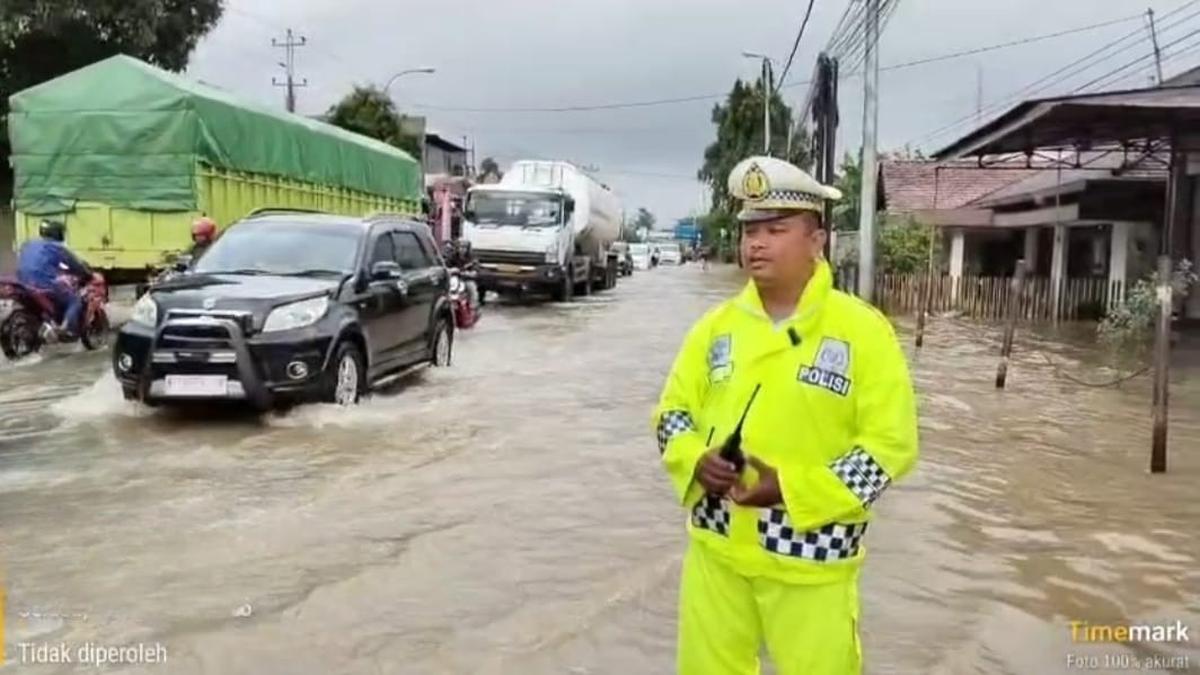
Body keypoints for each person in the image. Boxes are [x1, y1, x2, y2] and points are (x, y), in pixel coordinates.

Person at [651, 156, 918, 675]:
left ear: (816, 241)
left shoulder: (863, 332)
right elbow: (671, 413)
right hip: (717, 550)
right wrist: (694, 459)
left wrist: (791, 489)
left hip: (813, 561)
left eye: (776, 229)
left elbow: (890, 447)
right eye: (750, 229)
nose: (757, 243)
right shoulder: (715, 328)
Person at [15, 219, 92, 338]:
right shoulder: (57, 247)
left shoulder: (29, 243)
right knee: (74, 300)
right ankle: (66, 329)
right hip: (43, 283)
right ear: (58, 233)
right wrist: (87, 274)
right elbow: (75, 265)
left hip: (23, 282)